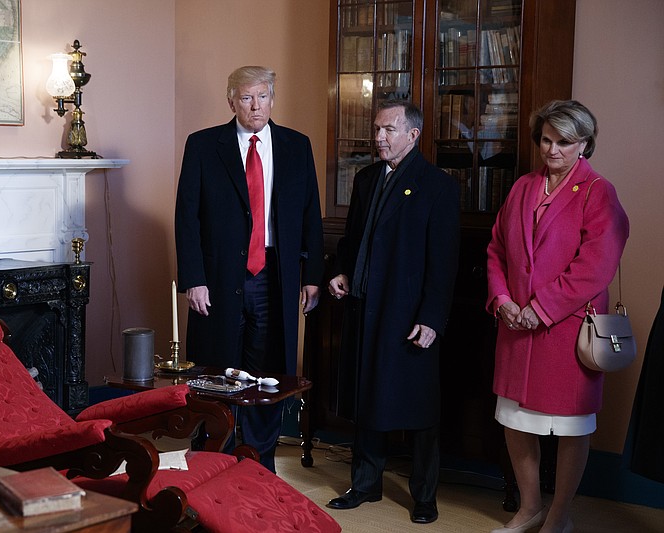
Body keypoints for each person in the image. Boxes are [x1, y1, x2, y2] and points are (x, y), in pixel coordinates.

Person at [486, 100, 629, 533]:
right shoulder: (523, 187)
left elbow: (596, 266)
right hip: (515, 327)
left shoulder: (597, 191)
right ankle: (529, 507)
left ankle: (559, 515)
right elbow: (495, 249)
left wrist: (541, 308)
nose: (552, 149)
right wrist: (503, 299)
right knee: (515, 420)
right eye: (546, 140)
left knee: (570, 427)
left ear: (584, 144)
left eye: (564, 142)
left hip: (567, 331)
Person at [174, 65, 324, 473]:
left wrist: (312, 276)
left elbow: (311, 213)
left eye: (262, 97)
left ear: (273, 99)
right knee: (217, 365)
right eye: (245, 98)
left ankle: (259, 461)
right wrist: (194, 280)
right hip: (219, 277)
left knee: (266, 373)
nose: (255, 106)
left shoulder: (296, 145)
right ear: (231, 101)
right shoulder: (204, 145)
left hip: (274, 275)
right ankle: (213, 457)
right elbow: (187, 216)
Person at [327, 99, 460, 525]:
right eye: (377, 129)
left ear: (412, 135)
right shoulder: (366, 179)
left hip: (408, 315)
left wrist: (431, 318)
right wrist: (339, 271)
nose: (379, 137)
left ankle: (425, 496)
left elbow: (444, 261)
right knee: (367, 397)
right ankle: (365, 485)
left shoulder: (437, 185)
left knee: (419, 407)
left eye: (388, 130)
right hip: (365, 306)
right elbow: (351, 240)